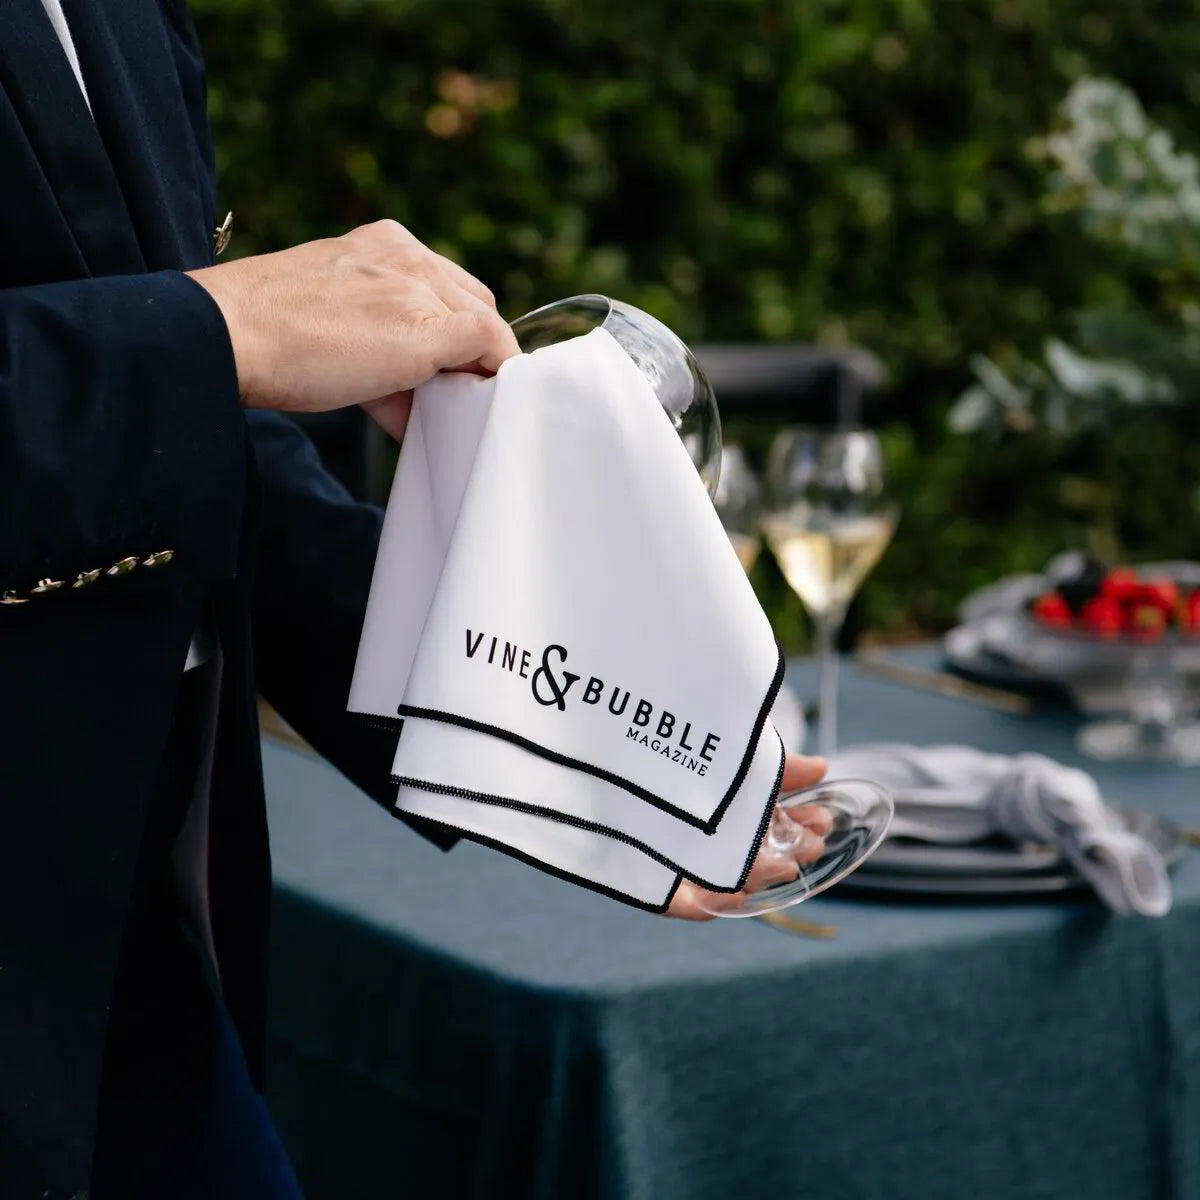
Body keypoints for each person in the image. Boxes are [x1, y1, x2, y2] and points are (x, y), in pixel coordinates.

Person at [0, 1, 829, 1195]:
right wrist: (221, 325)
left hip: (127, 939)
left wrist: (564, 735)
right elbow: (199, 354)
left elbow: (197, 442)